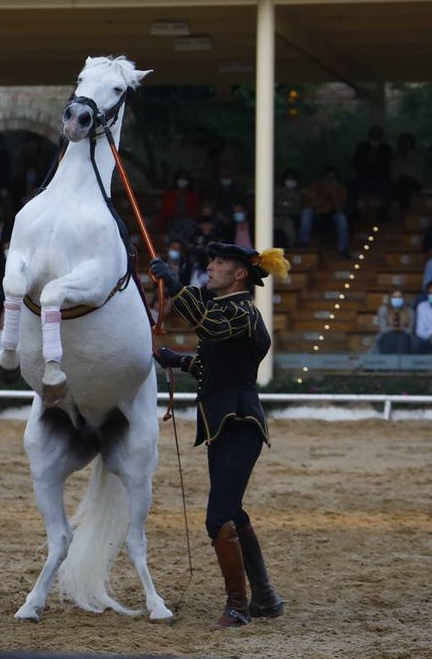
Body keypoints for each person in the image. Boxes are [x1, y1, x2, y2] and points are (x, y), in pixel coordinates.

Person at [149, 243, 290, 630]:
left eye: (220, 262)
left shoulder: (241, 312)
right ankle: (264, 598)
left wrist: (175, 285)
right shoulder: (231, 312)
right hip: (224, 426)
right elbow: (212, 363)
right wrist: (176, 359)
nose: (211, 267)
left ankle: (238, 608)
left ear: (240, 273)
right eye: (211, 261)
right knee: (234, 512)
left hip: (238, 425)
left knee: (218, 519)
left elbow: (208, 325)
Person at [299, 166, 352, 259]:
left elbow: (340, 208)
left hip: (332, 215)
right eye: (328, 178)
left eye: (333, 178)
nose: (330, 180)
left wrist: (333, 194)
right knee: (306, 213)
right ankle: (304, 243)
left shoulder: (340, 188)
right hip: (316, 214)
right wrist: (324, 196)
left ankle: (343, 249)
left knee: (342, 218)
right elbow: (311, 205)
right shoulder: (316, 186)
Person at [351, 125, 392, 222]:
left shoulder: (386, 149)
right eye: (374, 133)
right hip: (363, 180)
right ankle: (353, 214)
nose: (376, 135)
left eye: (378, 133)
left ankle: (384, 214)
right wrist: (366, 160)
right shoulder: (361, 147)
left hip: (380, 180)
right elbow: (356, 164)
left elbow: (386, 165)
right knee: (351, 185)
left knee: (389, 186)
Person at [156, 168, 202, 244]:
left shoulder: (192, 195)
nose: (183, 180)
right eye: (181, 178)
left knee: (189, 224)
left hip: (188, 220)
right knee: (176, 225)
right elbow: (166, 211)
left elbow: (194, 210)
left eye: (185, 179)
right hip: (172, 220)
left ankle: (187, 245)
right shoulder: (169, 194)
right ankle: (175, 245)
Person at [389, 132, 423, 214]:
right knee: (402, 184)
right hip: (398, 183)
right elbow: (394, 173)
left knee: (405, 183)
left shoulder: (417, 156)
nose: (405, 145)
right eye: (403, 142)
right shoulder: (395, 157)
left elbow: (417, 174)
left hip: (413, 183)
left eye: (407, 142)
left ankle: (402, 209)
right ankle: (403, 209)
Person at [375, 289, 415, 355]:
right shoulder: (383, 309)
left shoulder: (410, 311)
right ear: (390, 298)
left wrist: (402, 329)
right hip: (387, 335)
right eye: (394, 297)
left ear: (403, 298)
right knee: (386, 338)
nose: (397, 299)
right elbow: (383, 329)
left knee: (405, 339)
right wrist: (394, 328)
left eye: (399, 297)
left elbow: (410, 330)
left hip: (404, 335)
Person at [273, 169, 302, 249]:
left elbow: (296, 210)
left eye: (293, 179)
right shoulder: (277, 191)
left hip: (290, 218)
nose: (291, 181)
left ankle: (291, 247)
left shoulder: (297, 194)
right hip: (276, 217)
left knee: (289, 224)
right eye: (289, 179)